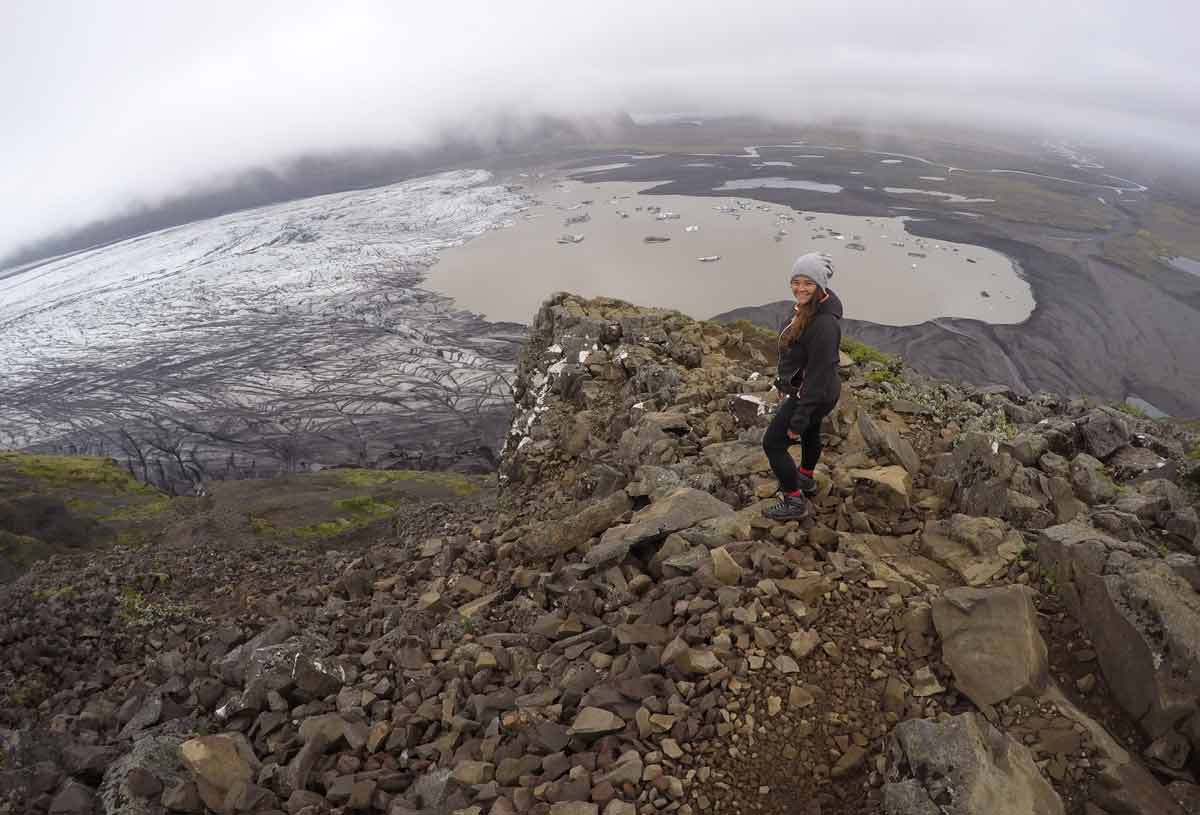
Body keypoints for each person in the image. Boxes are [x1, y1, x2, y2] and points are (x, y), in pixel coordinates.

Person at [762, 252, 843, 521]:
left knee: (773, 443)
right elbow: (798, 356)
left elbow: (818, 375)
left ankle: (794, 501)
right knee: (812, 432)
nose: (800, 288)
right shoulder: (808, 309)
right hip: (821, 391)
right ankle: (806, 478)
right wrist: (783, 381)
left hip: (814, 393)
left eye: (807, 283)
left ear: (820, 285)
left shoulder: (824, 324)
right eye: (796, 282)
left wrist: (798, 418)